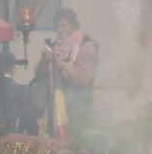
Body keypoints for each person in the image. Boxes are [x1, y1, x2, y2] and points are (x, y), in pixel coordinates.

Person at [21, 8, 99, 136]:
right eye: (58, 26)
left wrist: (57, 61)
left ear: (74, 25)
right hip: (54, 109)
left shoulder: (87, 47)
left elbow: (83, 78)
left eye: (64, 25)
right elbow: (38, 74)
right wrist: (44, 61)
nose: (60, 29)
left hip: (78, 109)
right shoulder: (54, 46)